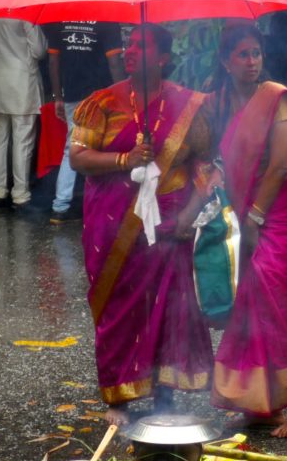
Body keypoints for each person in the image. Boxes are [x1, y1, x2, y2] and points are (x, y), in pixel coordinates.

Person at [70, 24, 212, 427]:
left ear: (164, 58)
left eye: (140, 45)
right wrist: (124, 161)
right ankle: (118, 393)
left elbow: (204, 167)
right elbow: (77, 157)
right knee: (119, 305)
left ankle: (163, 391)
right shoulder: (101, 103)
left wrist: (188, 216)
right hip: (115, 224)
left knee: (168, 304)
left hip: (171, 222)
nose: (129, 51)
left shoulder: (189, 106)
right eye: (129, 44)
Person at [207, 24, 287, 438]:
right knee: (247, 304)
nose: (251, 61)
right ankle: (264, 404)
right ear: (226, 62)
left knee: (270, 296)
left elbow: (281, 164)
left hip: (275, 218)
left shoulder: (279, 99)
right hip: (240, 216)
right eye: (242, 54)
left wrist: (255, 218)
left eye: (256, 53)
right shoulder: (221, 102)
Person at [47, 22, 125, 223]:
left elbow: (53, 61)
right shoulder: (106, 18)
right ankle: (106, 205)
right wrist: (124, 95)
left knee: (72, 147)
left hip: (72, 93)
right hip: (102, 96)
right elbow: (115, 62)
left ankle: (60, 207)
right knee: (105, 147)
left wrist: (58, 96)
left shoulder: (60, 18)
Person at [0, 9, 48, 210]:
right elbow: (40, 50)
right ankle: (20, 194)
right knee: (22, 140)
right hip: (22, 82)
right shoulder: (25, 9)